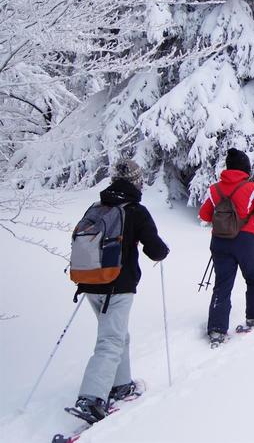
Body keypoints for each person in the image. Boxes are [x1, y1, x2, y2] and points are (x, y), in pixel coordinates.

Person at [73, 159, 170, 423]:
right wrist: (164, 251)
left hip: (90, 282)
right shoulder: (136, 211)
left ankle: (121, 384)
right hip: (118, 286)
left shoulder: (97, 207)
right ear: (137, 181)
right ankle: (91, 399)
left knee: (117, 335)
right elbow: (155, 249)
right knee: (111, 340)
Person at [199, 148, 254, 345]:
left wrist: (223, 223)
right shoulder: (251, 188)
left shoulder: (214, 189)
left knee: (222, 284)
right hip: (246, 241)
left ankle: (217, 329)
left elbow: (204, 214)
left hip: (219, 241)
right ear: (246, 168)